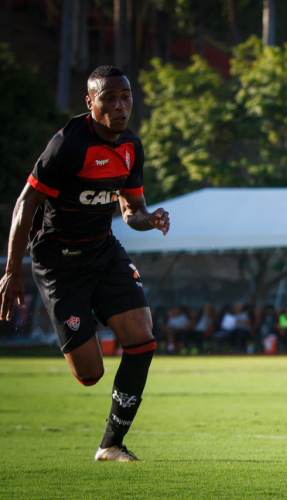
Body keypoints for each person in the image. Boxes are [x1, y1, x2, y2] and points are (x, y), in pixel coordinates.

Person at [0, 66, 169, 462]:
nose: (120, 105)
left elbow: (132, 211)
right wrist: (11, 271)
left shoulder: (131, 147)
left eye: (125, 96)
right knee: (90, 375)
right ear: (89, 102)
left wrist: (151, 220)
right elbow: (25, 205)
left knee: (142, 339)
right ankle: (82, 323)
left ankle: (111, 444)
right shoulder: (67, 145)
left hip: (103, 251)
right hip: (59, 263)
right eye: (109, 97)